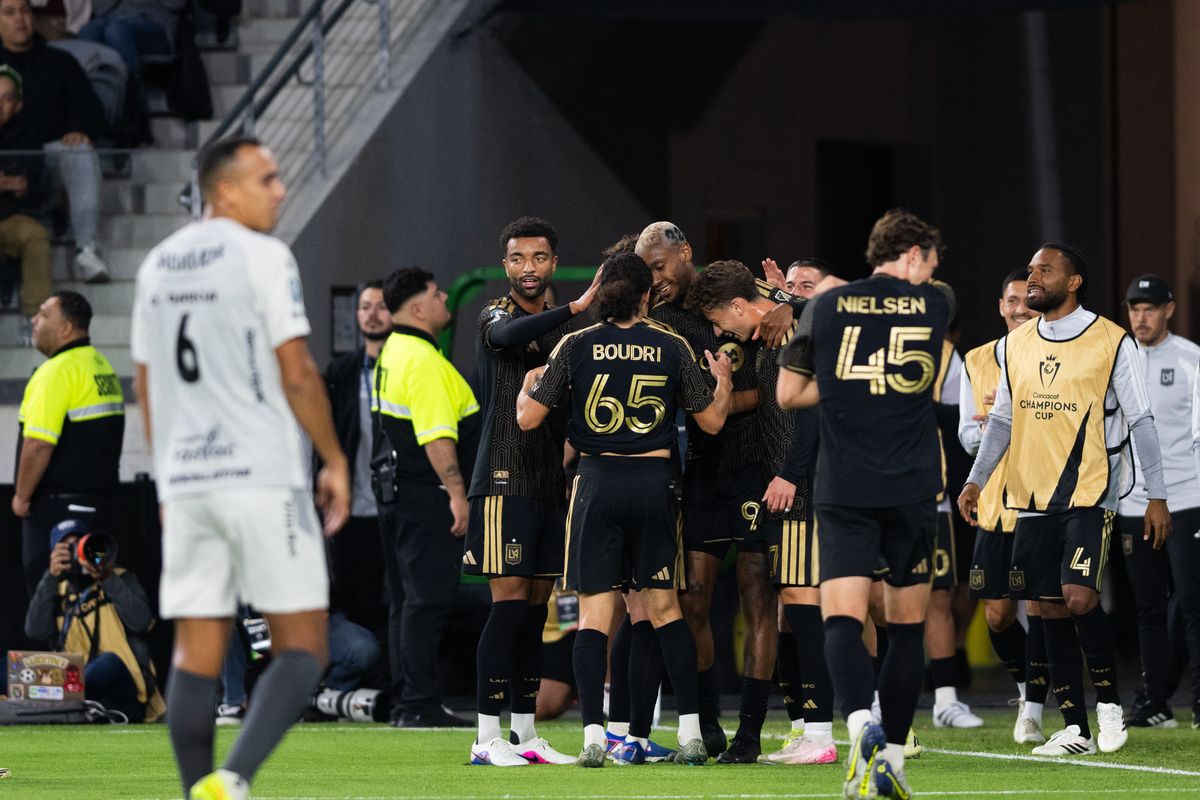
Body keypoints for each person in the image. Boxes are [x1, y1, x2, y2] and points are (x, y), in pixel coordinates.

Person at [131, 135, 350, 800]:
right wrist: (335, 458)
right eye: (268, 180)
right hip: (260, 475)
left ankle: (197, 788)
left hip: (189, 482)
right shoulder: (262, 256)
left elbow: (147, 384)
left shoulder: (157, 265)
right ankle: (234, 779)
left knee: (194, 653)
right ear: (224, 191)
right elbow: (298, 372)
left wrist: (168, 477)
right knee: (305, 647)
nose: (280, 191)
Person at [516, 251, 733, 767]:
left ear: (602, 294)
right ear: (644, 295)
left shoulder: (576, 344)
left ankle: (593, 736)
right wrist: (722, 381)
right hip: (655, 482)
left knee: (595, 616)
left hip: (596, 482)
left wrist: (529, 385)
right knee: (663, 610)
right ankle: (688, 734)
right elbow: (712, 423)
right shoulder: (672, 344)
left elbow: (528, 420)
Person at [958, 245, 1171, 757]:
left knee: (1077, 597)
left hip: (1089, 492)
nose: (1033, 277)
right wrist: (974, 480)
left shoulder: (1110, 340)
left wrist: (1157, 496)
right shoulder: (1016, 344)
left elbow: (1140, 420)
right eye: (1030, 270)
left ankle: (1109, 704)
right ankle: (1073, 727)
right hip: (1029, 497)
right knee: (1047, 607)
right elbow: (1003, 420)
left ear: (1073, 281)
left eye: (1044, 270)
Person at [777, 208, 950, 799]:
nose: (933, 272)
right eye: (929, 259)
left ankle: (858, 726)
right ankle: (893, 760)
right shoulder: (938, 305)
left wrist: (846, 375)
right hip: (912, 486)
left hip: (845, 485)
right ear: (911, 254)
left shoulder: (825, 308)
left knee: (842, 620)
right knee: (905, 628)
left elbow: (787, 392)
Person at [464, 216, 602, 766]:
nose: (529, 269)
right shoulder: (494, 314)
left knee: (536, 610)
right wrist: (573, 310)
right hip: (502, 480)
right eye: (518, 259)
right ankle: (484, 737)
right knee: (508, 606)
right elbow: (503, 338)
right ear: (505, 266)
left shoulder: (560, 337)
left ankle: (523, 735)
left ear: (552, 261)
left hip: (549, 484)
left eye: (539, 258)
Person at [638, 221, 777, 763]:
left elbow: (770, 387)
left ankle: (750, 730)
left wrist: (714, 401)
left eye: (659, 266)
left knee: (756, 592)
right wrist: (710, 403)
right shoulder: (663, 320)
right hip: (700, 470)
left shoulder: (745, 300)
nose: (656, 279)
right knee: (693, 598)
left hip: (754, 468)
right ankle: (707, 724)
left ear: (684, 253)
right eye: (646, 271)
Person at [692, 259, 839, 766]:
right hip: (791, 482)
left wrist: (791, 474)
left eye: (719, 320)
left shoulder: (796, 329)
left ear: (738, 306)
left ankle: (822, 731)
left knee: (805, 600)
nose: (719, 331)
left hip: (803, 483)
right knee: (793, 606)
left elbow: (814, 410)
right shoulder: (774, 336)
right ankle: (811, 727)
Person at [372, 266, 480, 728]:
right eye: (437, 294)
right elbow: (438, 438)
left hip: (396, 492)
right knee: (426, 601)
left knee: (406, 600)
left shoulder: (393, 352)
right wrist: (457, 493)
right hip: (426, 493)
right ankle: (418, 703)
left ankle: (407, 701)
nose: (444, 301)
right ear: (417, 308)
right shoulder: (423, 360)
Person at [957, 268, 1049, 744]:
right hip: (993, 505)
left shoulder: (1055, 359)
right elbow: (965, 435)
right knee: (996, 614)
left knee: (1037, 606)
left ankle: (1032, 709)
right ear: (1001, 306)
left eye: (1028, 301)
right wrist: (987, 425)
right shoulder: (974, 361)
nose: (1019, 309)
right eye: (1012, 300)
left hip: (1038, 502)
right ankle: (1025, 686)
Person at [1117, 274, 1200, 729]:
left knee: (1192, 601)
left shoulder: (1191, 360)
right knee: (1147, 607)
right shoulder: (1116, 360)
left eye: (1149, 308)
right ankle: (1155, 702)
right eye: (1134, 308)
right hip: (1133, 503)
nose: (1141, 317)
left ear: (1169, 309)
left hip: (1187, 498)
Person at [14, 289, 123, 595]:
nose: (35, 320)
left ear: (65, 329)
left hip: (59, 519)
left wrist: (21, 498)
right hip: (103, 512)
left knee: (56, 612)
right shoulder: (102, 367)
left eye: (44, 314)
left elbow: (38, 445)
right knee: (99, 607)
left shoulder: (55, 372)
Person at [0, 0, 109, 282]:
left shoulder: (59, 62)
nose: (20, 19)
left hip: (45, 162)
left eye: (25, 11)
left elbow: (92, 109)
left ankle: (86, 250)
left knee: (78, 151)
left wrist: (79, 129)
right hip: (5, 162)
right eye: (9, 13)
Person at [24, 518, 166, 722]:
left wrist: (105, 575)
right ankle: (61, 699)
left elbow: (141, 622)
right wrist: (50, 577)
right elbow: (34, 630)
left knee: (108, 663)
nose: (74, 553)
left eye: (78, 545)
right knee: (10, 669)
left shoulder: (120, 577)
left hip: (124, 691)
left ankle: (56, 700)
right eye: (66, 548)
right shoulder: (57, 590)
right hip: (73, 683)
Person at [321, 281, 389, 653]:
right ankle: (363, 680)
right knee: (357, 600)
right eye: (365, 307)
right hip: (354, 510)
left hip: (396, 508)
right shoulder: (342, 372)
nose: (372, 314)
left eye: (380, 306)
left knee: (397, 601)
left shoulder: (409, 366)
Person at [0, 65, 51, 330]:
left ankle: (34, 321)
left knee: (35, 235)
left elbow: (30, 182)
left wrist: (16, 185)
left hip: (8, 219)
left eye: (7, 99)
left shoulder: (28, 136)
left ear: (18, 105)